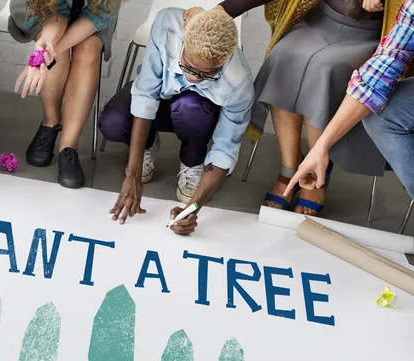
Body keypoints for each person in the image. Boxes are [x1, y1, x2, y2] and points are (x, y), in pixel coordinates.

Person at [187, 0, 404, 217]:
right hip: (319, 22)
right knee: (283, 57)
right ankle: (290, 167)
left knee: (323, 70)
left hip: (371, 35)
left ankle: (316, 173)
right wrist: (224, 10)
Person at [98, 8, 254, 236]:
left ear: (223, 61)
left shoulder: (238, 84)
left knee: (191, 108)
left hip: (196, 116)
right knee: (113, 123)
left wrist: (194, 208)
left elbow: (224, 150)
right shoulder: (167, 26)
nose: (192, 77)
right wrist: (132, 175)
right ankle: (147, 145)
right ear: (184, 40)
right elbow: (146, 94)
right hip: (160, 97)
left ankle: (192, 161)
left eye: (205, 75)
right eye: (187, 66)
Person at [285, 0, 414, 207]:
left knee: (324, 67)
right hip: (326, 26)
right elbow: (386, 65)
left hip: (362, 33)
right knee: (381, 116)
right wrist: (321, 148)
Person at [9, 0, 120, 188]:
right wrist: (48, 46)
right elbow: (55, 11)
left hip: (94, 10)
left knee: (88, 50)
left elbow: (98, 14)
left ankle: (68, 146)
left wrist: (47, 55)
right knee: (56, 53)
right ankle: (50, 123)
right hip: (42, 7)